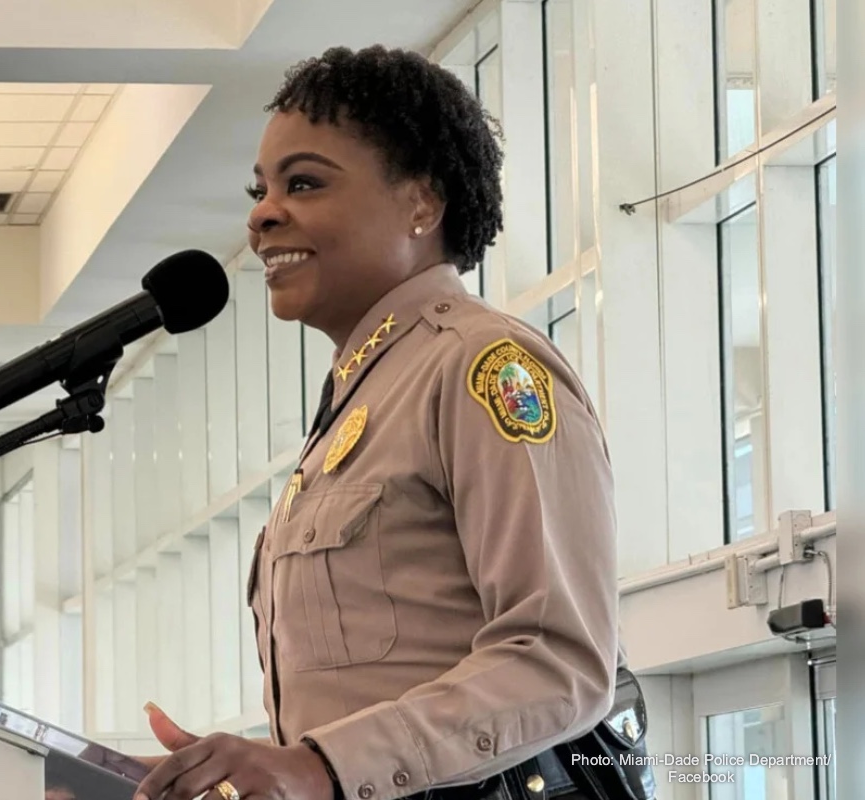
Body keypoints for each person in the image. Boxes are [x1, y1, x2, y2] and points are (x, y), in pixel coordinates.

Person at [132, 45, 655, 800]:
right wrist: (245, 775)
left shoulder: (482, 366)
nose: (261, 215)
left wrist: (320, 765)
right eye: (260, 189)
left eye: (303, 183)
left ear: (421, 205)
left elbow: (559, 661)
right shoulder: (362, 398)